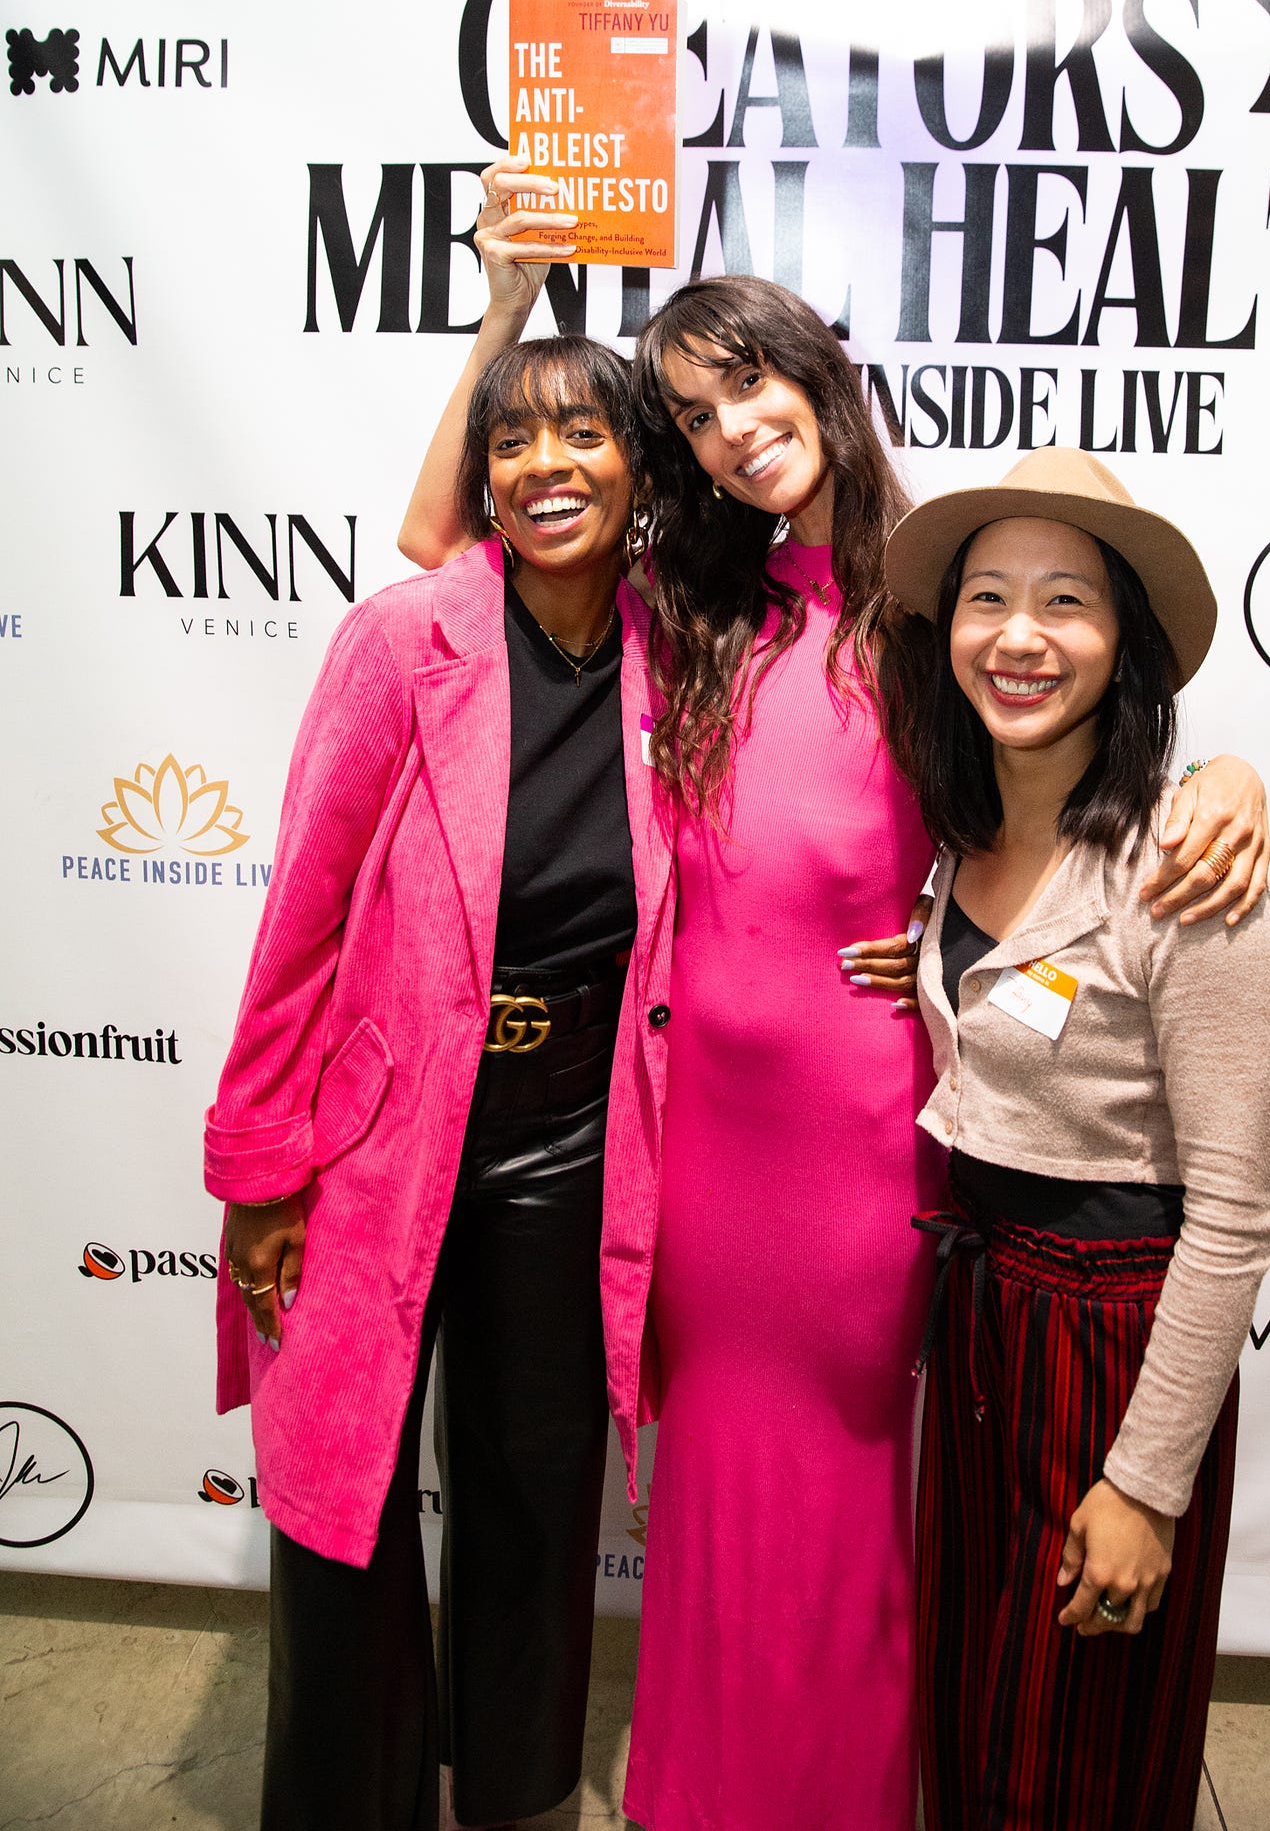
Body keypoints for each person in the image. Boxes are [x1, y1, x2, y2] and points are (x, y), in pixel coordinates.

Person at [400, 175, 1270, 1831]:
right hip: (696, 1146)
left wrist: (1230, 772)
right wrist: (508, 311)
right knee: (719, 1502)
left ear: (820, 374)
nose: (732, 430)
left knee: (859, 1504)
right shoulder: (692, 610)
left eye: (752, 382)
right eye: (693, 413)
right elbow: (447, 555)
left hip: (869, 1140)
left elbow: (1093, 726)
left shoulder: (940, 600)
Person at [206, 334, 677, 1831]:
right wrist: (261, 1168)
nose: (548, 464)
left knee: (538, 1492)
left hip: (576, 1130)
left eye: (584, 433)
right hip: (380, 1129)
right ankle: (349, 1799)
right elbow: (304, 915)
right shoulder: (405, 638)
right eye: (516, 440)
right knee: (340, 1489)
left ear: (641, 466)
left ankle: (517, 1790)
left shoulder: (692, 653)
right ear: (484, 475)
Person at [882, 450, 1270, 1831]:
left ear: (1126, 645)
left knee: (1081, 1748)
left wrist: (1145, 1481)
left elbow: (1232, 1217)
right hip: (984, 1313)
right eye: (988, 598)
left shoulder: (1190, 868)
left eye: (1067, 602)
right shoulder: (963, 842)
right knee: (972, 1724)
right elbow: (1011, 1012)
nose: (1020, 635)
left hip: (1112, 1339)